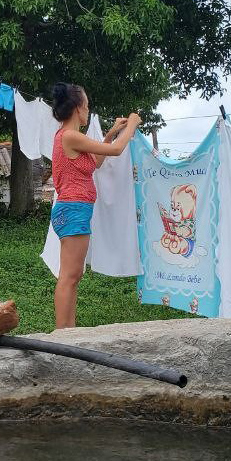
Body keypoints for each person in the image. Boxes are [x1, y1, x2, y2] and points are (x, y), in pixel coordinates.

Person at [49, 83, 141, 328]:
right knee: (69, 276)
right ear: (78, 108)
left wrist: (111, 132)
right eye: (86, 106)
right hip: (73, 209)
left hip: (73, 210)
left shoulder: (69, 138)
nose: (88, 111)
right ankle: (63, 334)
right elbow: (116, 151)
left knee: (73, 275)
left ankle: (68, 330)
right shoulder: (70, 136)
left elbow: (97, 162)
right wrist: (132, 123)